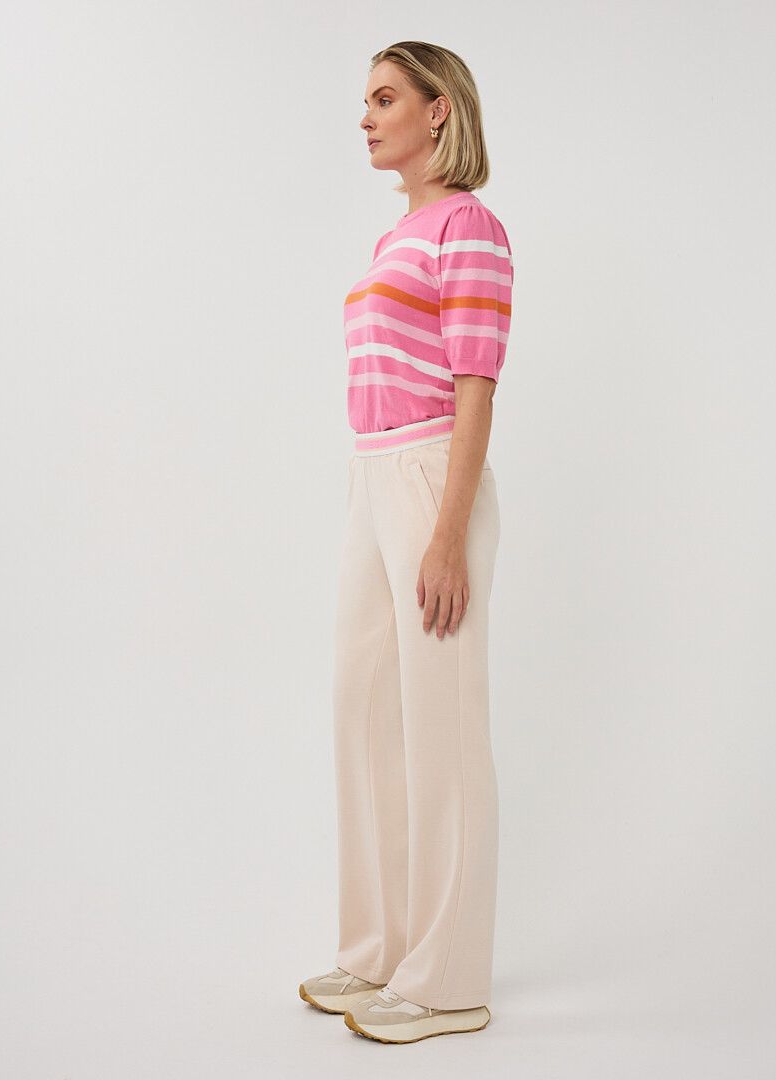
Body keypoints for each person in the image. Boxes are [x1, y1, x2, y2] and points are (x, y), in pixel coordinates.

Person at [299, 40, 514, 1044]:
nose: (366, 115)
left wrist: (446, 535)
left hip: (432, 474)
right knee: (365, 710)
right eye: (366, 99)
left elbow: (475, 386)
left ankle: (448, 979)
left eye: (385, 97)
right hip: (371, 474)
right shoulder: (398, 235)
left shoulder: (468, 226)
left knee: (442, 726)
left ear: (438, 111)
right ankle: (380, 949)